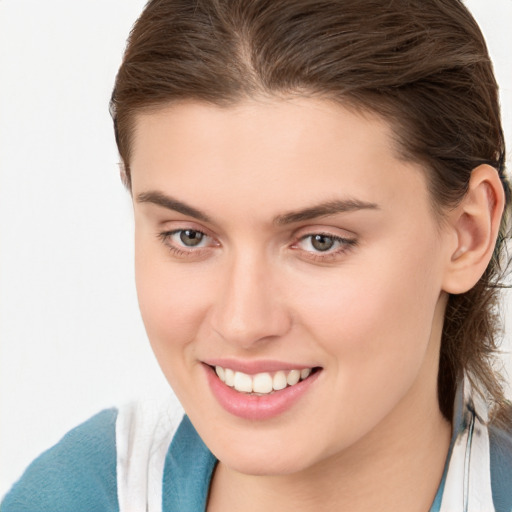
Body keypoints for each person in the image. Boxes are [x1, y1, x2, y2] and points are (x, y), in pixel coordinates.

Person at [2, 0, 511, 510]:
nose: (243, 323)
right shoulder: (70, 495)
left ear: (467, 233)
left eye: (321, 241)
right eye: (189, 236)